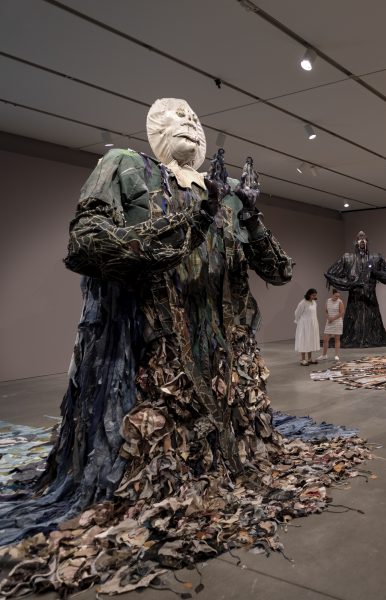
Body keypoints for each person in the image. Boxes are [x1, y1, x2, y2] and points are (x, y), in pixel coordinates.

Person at [0, 99, 367, 596]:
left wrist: (249, 215)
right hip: (153, 354)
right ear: (152, 129)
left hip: (223, 359)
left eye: (196, 117)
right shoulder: (125, 167)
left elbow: (279, 271)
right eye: (176, 116)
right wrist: (198, 218)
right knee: (152, 454)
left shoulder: (226, 195)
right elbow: (88, 244)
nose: (190, 122)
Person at [324, 230, 386, 347]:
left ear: (367, 241)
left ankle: (369, 337)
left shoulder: (376, 258)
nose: (362, 240)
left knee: (371, 322)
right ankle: (357, 337)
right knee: (354, 322)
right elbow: (329, 274)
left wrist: (376, 273)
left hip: (370, 300)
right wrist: (352, 284)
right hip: (354, 300)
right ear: (355, 242)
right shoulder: (347, 258)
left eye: (364, 238)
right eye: (359, 238)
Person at [294, 288, 320, 365]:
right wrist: (298, 321)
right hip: (304, 325)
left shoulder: (314, 302)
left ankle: (309, 359)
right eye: (313, 295)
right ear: (309, 294)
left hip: (312, 324)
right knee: (304, 340)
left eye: (315, 295)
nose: (314, 297)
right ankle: (302, 359)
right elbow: (297, 313)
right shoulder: (303, 303)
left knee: (310, 340)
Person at [320, 289, 345, 361]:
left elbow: (342, 312)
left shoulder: (340, 301)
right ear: (333, 294)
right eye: (336, 296)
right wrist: (328, 318)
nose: (337, 297)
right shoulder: (328, 301)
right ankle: (324, 355)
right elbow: (326, 311)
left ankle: (336, 355)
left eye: (338, 296)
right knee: (325, 339)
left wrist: (333, 318)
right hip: (329, 322)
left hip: (337, 322)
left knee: (337, 339)